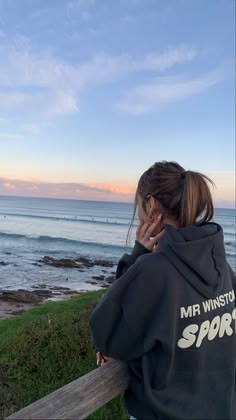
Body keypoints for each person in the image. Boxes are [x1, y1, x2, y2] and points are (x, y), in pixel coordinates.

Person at [89, 161, 236, 420]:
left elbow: (107, 335)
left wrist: (137, 256)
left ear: (153, 204)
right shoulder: (220, 264)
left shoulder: (153, 270)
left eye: (140, 206)